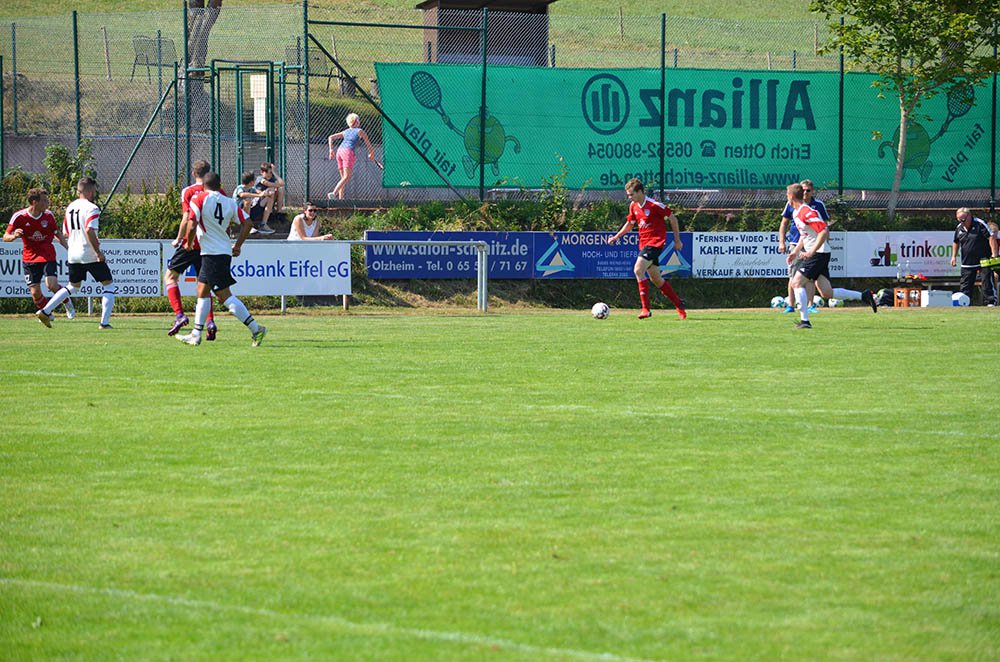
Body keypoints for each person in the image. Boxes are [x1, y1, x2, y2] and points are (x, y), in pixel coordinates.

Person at [177, 171, 266, 347]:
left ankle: (256, 329)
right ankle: (196, 333)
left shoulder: (199, 198)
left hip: (213, 254)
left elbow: (192, 223)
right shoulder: (229, 202)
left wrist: (188, 243)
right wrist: (238, 245)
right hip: (221, 252)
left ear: (204, 185)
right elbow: (248, 223)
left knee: (224, 296)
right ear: (220, 186)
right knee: (202, 291)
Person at [37, 177, 116, 329]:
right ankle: (104, 323)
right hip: (89, 252)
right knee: (109, 286)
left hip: (73, 253)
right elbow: (89, 230)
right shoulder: (92, 208)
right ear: (90, 191)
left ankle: (45, 311)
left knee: (73, 286)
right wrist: (98, 252)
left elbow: (65, 233)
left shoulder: (70, 207)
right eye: (94, 190)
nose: (94, 193)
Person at [606, 178, 686, 320]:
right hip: (644, 245)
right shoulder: (633, 206)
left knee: (638, 269)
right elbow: (630, 224)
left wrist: (677, 240)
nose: (629, 197)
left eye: (631, 194)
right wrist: (616, 236)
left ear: (640, 192)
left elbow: (673, 219)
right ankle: (679, 304)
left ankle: (645, 309)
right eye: (628, 195)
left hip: (655, 243)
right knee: (656, 279)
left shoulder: (654, 205)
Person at [3, 187, 76, 322]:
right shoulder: (19, 217)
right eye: (44, 200)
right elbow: (5, 236)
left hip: (47, 255)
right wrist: (14, 236)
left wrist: (69, 249)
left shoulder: (48, 215)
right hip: (29, 258)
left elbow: (57, 234)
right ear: (34, 202)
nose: (47, 203)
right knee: (35, 293)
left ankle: (67, 302)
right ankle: (47, 314)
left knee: (52, 285)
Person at [165, 160, 218, 339]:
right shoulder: (217, 192)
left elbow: (187, 218)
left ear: (194, 173)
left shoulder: (188, 191)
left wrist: (179, 239)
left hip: (191, 243)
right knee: (204, 286)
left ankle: (180, 315)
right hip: (208, 244)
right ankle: (210, 322)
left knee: (170, 277)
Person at [951, 207, 998, 306]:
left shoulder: (979, 224)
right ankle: (964, 302)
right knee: (965, 284)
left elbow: (991, 238)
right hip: (967, 260)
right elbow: (956, 242)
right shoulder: (959, 228)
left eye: (963, 219)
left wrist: (994, 254)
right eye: (959, 220)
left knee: (986, 281)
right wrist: (953, 256)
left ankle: (990, 302)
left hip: (984, 259)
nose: (961, 222)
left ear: (969, 216)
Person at [327, 113, 375, 200]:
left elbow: (330, 137)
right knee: (347, 177)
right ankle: (334, 193)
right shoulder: (360, 131)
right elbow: (368, 144)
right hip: (348, 152)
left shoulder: (345, 132)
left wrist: (331, 150)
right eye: (358, 120)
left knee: (343, 178)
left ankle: (341, 199)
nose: (359, 121)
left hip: (339, 151)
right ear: (356, 121)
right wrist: (371, 153)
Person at [253, 162, 285, 233]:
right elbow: (267, 183)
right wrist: (277, 185)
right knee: (271, 190)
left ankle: (279, 213)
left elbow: (282, 184)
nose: (269, 174)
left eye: (270, 172)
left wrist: (274, 172)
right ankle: (263, 223)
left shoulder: (272, 178)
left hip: (269, 200)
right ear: (262, 172)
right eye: (267, 172)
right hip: (259, 201)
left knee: (281, 189)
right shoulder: (260, 178)